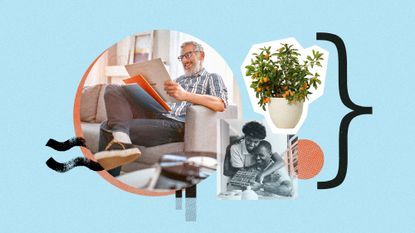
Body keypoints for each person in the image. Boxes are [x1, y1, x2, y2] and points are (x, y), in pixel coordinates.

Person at [95, 41, 228, 176]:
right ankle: (122, 139)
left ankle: (109, 175)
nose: (184, 60)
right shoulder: (177, 80)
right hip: (157, 113)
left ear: (201, 56)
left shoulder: (212, 77)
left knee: (107, 126)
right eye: (181, 57)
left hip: (177, 123)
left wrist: (185, 95)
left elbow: (220, 104)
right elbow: (162, 100)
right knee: (113, 89)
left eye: (188, 55)